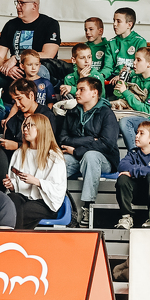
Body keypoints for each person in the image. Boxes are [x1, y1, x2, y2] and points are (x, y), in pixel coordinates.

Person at [58, 76, 119, 228]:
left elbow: (107, 144)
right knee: (58, 162)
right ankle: (58, 205)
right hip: (77, 157)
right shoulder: (72, 111)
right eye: (77, 89)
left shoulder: (106, 113)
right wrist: (91, 140)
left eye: (82, 89)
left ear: (94, 93)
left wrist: (77, 150)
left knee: (90, 156)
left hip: (103, 160)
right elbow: (63, 139)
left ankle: (87, 206)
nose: (77, 92)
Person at [0, 0, 63, 93]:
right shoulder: (10, 25)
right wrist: (6, 68)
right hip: (17, 68)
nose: (17, 7)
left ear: (34, 5)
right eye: (17, 3)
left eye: (22, 3)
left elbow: (48, 54)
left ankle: (36, 102)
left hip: (39, 67)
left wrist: (17, 58)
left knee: (38, 72)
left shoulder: (50, 24)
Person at [4, 113, 67, 228]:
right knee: (11, 200)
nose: (25, 129)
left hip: (45, 202)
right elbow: (15, 186)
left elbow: (58, 188)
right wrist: (11, 185)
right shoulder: (19, 153)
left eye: (30, 125)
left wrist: (37, 182)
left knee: (20, 211)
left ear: (41, 129)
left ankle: (14, 237)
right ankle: (19, 237)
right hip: (23, 198)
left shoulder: (54, 155)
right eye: (24, 125)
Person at [115, 121, 150, 230]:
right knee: (123, 178)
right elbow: (122, 166)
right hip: (137, 193)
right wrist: (145, 170)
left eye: (141, 133)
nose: (136, 136)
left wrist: (133, 172)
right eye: (137, 132)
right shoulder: (133, 153)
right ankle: (126, 217)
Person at [112, 47, 150, 151]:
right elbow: (126, 100)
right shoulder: (135, 78)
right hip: (135, 113)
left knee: (125, 122)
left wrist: (125, 92)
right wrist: (121, 86)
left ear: (149, 64)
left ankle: (136, 155)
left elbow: (148, 111)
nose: (134, 63)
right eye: (134, 59)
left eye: (138, 60)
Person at [0, 80, 56, 154]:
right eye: (14, 101)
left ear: (31, 95)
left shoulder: (47, 116)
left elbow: (48, 144)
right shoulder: (14, 120)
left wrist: (18, 146)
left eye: (19, 99)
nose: (17, 104)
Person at [105, 7, 149, 94]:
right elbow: (108, 67)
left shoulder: (140, 41)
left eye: (118, 21)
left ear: (129, 25)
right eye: (114, 21)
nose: (114, 24)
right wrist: (100, 76)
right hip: (115, 78)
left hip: (133, 77)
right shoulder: (111, 42)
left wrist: (123, 75)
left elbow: (142, 67)